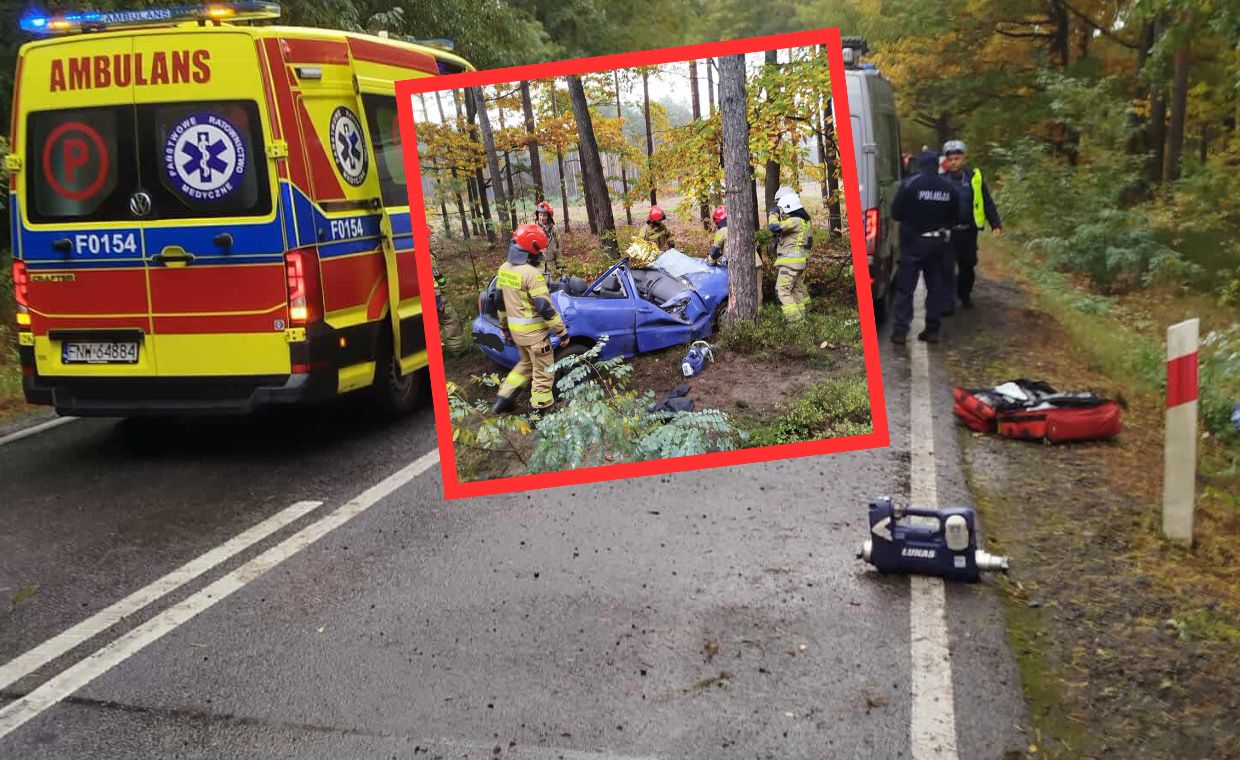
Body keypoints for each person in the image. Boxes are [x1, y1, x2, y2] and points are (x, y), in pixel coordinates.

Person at [490, 224, 569, 414]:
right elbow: (545, 308)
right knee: (543, 373)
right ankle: (540, 411)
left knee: (525, 364)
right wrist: (562, 332)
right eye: (538, 251)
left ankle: (504, 398)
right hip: (535, 337)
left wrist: (506, 330)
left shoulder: (504, 269)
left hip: (517, 334)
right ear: (530, 250)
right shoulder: (532, 274)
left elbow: (499, 303)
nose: (540, 254)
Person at [889, 151, 964, 344]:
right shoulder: (949, 188)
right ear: (938, 165)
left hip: (913, 242)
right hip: (938, 244)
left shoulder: (910, 184)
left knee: (906, 288)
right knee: (935, 287)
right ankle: (932, 330)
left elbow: (896, 213)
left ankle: (900, 331)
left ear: (920, 165)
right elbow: (957, 217)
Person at [940, 140, 1002, 311]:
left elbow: (987, 202)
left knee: (967, 266)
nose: (954, 162)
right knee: (947, 267)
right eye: (950, 159)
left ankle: (964, 295)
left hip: (968, 231)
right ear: (946, 161)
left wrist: (995, 223)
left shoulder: (975, 179)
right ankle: (948, 301)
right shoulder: (940, 180)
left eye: (957, 158)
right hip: (947, 232)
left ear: (964, 159)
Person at [768, 186, 813, 321]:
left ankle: (795, 322)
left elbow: (774, 227)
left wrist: (773, 214)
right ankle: (803, 319)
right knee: (797, 290)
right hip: (800, 261)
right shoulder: (804, 220)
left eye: (782, 208)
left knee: (782, 291)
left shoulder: (794, 221)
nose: (782, 212)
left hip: (790, 263)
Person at [707, 204, 764, 305]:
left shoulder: (721, 232)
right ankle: (760, 315)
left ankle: (744, 318)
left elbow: (714, 252)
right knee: (757, 291)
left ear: (717, 221)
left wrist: (711, 262)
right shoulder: (742, 226)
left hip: (740, 268)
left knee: (743, 293)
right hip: (756, 263)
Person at [431, 262, 467, 355]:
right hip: (436, 298)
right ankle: (458, 351)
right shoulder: (428, 257)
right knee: (450, 321)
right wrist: (439, 298)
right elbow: (436, 277)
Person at [533, 200, 561, 277]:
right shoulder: (533, 229)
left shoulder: (554, 230)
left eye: (544, 215)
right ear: (537, 215)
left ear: (549, 216)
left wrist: (560, 266)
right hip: (537, 268)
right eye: (540, 215)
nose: (542, 218)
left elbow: (558, 249)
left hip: (550, 269)